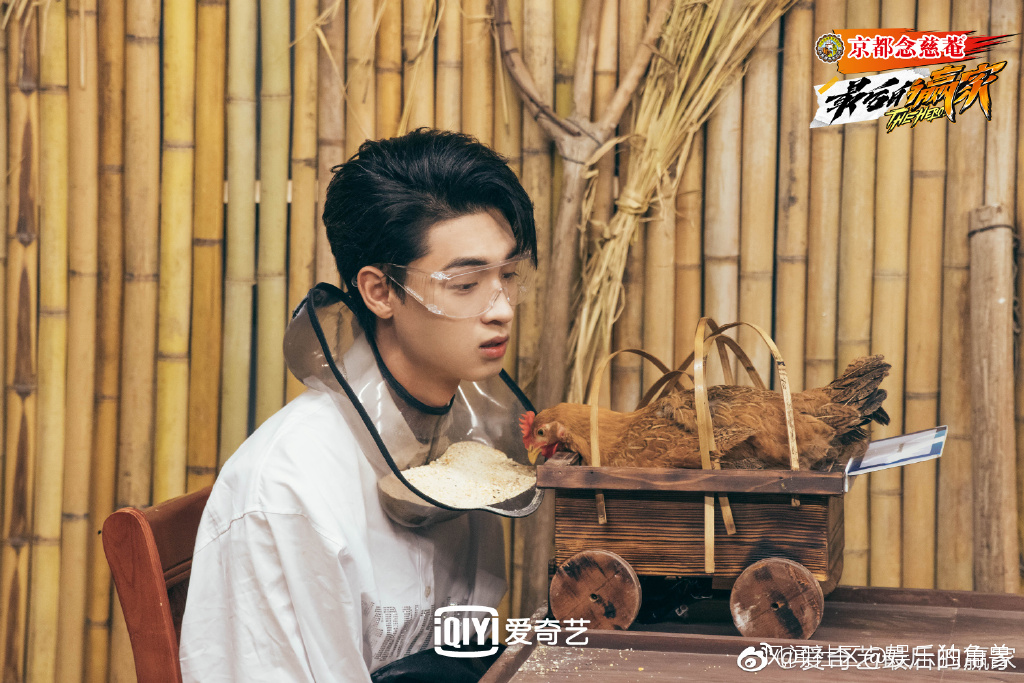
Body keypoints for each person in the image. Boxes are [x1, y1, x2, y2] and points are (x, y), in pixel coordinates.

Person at [178, 129, 539, 682]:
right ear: (380, 292)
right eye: (466, 283)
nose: (502, 309)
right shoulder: (287, 489)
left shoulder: (469, 447)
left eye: (508, 276)